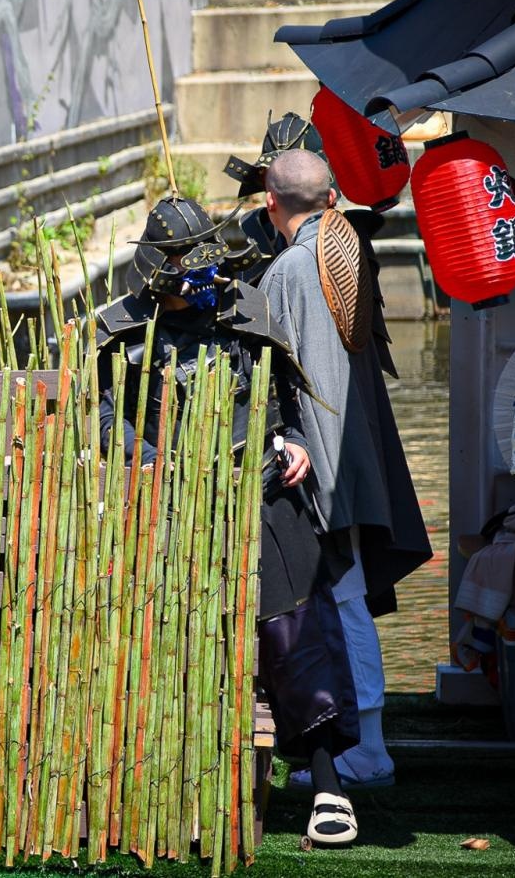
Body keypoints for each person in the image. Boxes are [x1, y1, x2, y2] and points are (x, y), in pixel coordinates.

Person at [93, 195, 362, 848]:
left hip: (259, 486)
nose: (204, 273)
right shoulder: (119, 329)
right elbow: (104, 418)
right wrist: (153, 461)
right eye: (188, 262)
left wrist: (294, 441)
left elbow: (285, 397)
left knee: (295, 611)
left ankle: (327, 782)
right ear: (160, 268)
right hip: (167, 504)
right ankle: (165, 778)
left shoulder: (245, 310)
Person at [258, 150, 435, 792]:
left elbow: (273, 380)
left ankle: (370, 751)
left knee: (348, 606)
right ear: (331, 196)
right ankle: (364, 745)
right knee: (346, 603)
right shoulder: (346, 250)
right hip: (354, 459)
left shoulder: (291, 268)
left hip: (323, 468)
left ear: (270, 204)